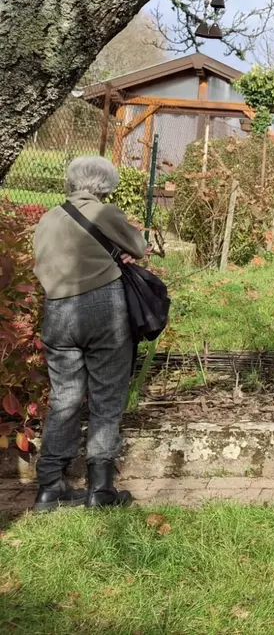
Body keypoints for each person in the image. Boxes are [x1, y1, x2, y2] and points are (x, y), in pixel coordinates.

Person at [31, 156, 146, 511]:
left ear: (71, 181)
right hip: (103, 309)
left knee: (64, 397)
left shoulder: (48, 219)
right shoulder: (106, 213)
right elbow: (138, 248)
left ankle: (51, 485)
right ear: (107, 185)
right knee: (107, 397)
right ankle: (100, 488)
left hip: (58, 310)